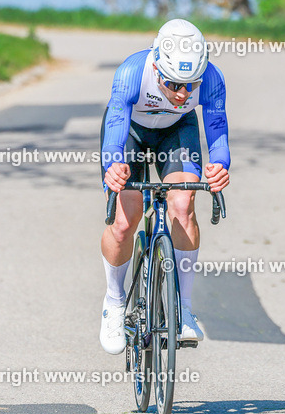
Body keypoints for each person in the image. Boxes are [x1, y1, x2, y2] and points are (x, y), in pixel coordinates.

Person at [98, 18, 230, 354]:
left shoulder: (212, 78)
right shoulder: (132, 72)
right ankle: (114, 302)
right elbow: (115, 124)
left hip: (176, 131)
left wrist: (220, 166)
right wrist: (113, 165)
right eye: (173, 84)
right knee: (125, 220)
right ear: (157, 69)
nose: (183, 94)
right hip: (130, 132)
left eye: (191, 85)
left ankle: (183, 308)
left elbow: (217, 128)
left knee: (183, 207)